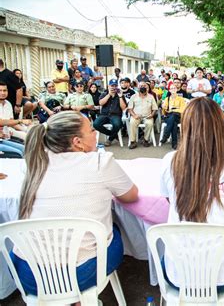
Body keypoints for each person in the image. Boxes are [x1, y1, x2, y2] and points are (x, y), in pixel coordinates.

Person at [12, 111, 138, 297]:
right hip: (79, 273)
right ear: (77, 142)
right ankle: (78, 298)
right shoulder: (99, 162)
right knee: (116, 230)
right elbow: (131, 196)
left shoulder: (33, 163)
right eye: (91, 130)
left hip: (29, 275)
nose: (95, 133)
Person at [159, 97, 224, 292]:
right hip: (223, 276)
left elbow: (170, 198)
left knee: (162, 257)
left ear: (185, 126)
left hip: (178, 276)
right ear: (220, 127)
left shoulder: (169, 161)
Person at [93, 79, 127, 147]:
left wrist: (120, 96)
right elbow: (100, 103)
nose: (113, 87)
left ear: (117, 86)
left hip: (115, 115)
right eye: (112, 85)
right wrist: (109, 94)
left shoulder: (120, 94)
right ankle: (113, 134)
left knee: (118, 124)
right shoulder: (104, 94)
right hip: (104, 115)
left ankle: (110, 139)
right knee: (96, 124)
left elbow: (123, 108)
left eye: (115, 85)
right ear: (108, 86)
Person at [128, 82, 158, 149]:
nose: (143, 87)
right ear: (138, 87)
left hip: (147, 116)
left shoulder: (151, 97)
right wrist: (134, 115)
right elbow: (130, 109)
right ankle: (133, 141)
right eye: (141, 86)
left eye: (144, 86)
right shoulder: (133, 96)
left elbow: (155, 109)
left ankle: (146, 140)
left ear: (147, 88)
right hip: (136, 116)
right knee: (132, 122)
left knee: (149, 123)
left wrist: (152, 115)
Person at [160, 84, 186, 149]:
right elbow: (165, 110)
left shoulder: (181, 99)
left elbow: (183, 109)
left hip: (177, 116)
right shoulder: (167, 99)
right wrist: (164, 108)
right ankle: (174, 144)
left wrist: (173, 110)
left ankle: (166, 135)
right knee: (173, 123)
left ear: (176, 89)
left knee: (174, 115)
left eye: (174, 88)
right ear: (169, 90)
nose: (173, 89)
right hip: (168, 116)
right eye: (171, 88)